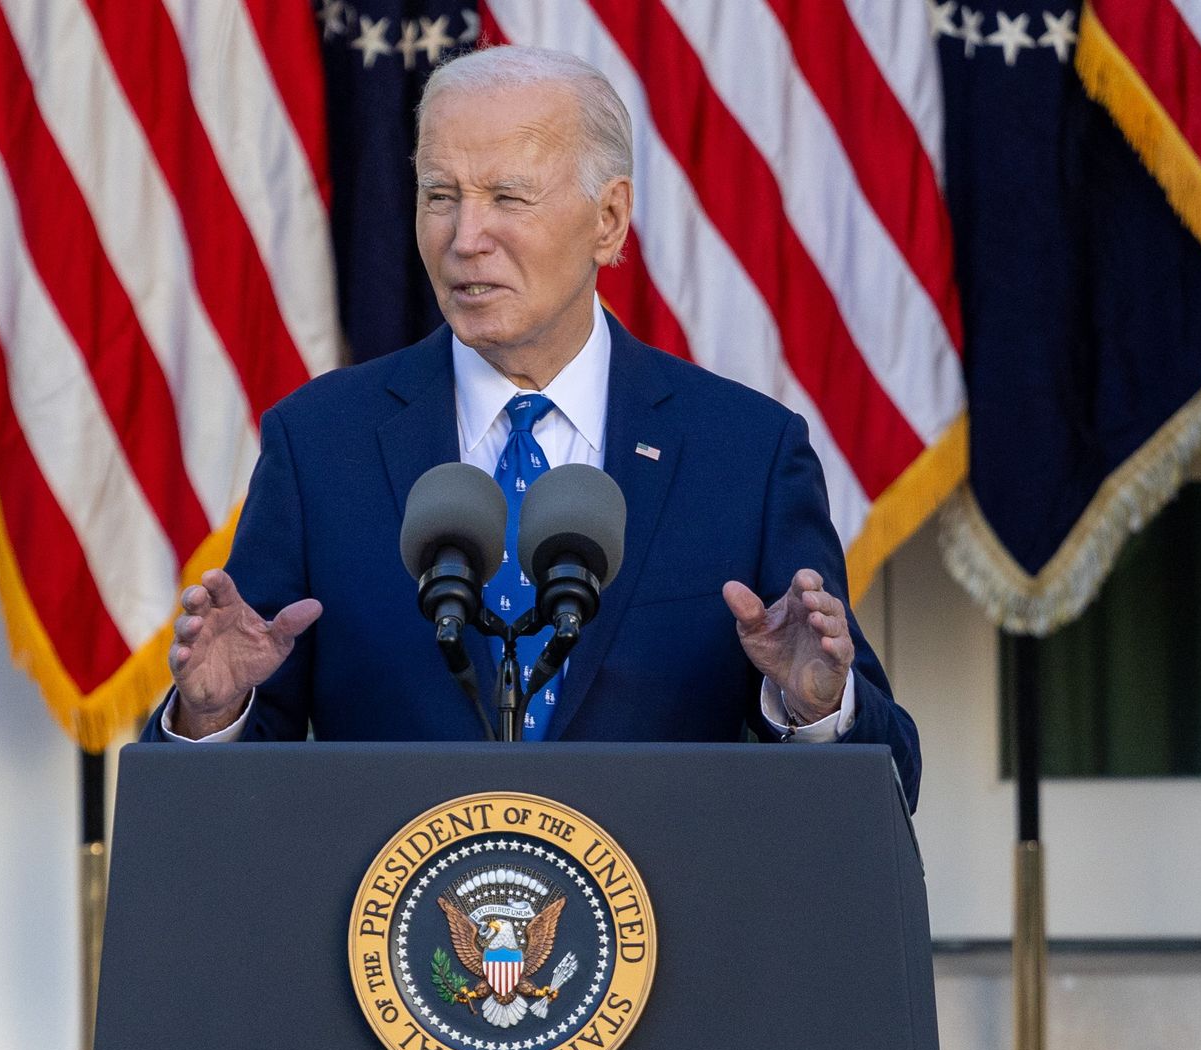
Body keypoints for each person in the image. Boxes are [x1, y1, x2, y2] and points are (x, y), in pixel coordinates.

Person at [143, 45, 920, 809]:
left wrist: (819, 707)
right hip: (392, 927)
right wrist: (213, 714)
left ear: (608, 221)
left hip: (662, 925)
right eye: (439, 195)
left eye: (507, 198)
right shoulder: (319, 447)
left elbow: (890, 783)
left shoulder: (744, 454)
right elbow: (226, 799)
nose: (464, 236)